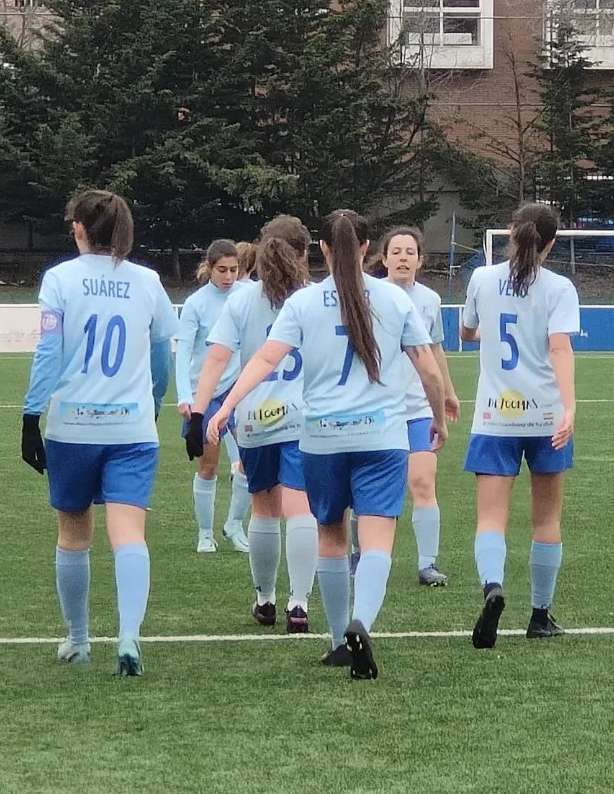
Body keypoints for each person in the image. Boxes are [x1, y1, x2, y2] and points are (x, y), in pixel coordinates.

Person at [208, 210, 447, 680]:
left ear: (322, 249)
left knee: (331, 537)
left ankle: (339, 640)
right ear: (367, 249)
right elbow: (429, 369)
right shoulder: (394, 300)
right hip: (381, 436)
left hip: (321, 438)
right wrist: (438, 418)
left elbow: (263, 360)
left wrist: (225, 406)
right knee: (376, 540)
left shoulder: (303, 303)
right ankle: (364, 622)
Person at [21, 189, 178, 678]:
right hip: (132, 426)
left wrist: (31, 416)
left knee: (73, 532)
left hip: (73, 425)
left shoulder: (60, 279)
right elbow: (160, 358)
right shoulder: (148, 281)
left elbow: (49, 352)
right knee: (129, 533)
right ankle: (129, 636)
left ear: (80, 229)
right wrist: (150, 406)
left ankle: (79, 638)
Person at [191, 217, 319, 637]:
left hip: (253, 418)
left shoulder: (242, 301)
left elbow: (215, 359)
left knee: (264, 510)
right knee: (301, 509)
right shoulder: (315, 298)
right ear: (303, 253)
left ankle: (265, 598)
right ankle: (298, 603)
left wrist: (199, 411)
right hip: (306, 417)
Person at [460, 202, 579, 650]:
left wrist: (482, 329)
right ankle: (540, 615)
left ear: (511, 234)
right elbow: (560, 348)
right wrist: (569, 408)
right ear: (550, 243)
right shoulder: (559, 287)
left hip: (495, 415)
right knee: (546, 519)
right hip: (545, 415)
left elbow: (467, 333)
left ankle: (492, 586)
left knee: (491, 518)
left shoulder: (482, 279)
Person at [379, 227, 460, 586]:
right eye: (395, 251)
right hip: (377, 407)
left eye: (409, 252)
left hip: (418, 408)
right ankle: (357, 554)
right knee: (369, 485)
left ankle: (428, 563)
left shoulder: (429, 300)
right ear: (383, 258)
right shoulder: (368, 296)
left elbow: (435, 349)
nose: (402, 257)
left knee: (423, 481)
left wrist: (447, 392)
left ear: (420, 260)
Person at [177, 239, 250, 553]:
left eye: (234, 270)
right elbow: (182, 353)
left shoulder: (248, 295)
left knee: (249, 461)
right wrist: (185, 396)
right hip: (205, 394)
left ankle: (234, 524)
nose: (229, 276)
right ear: (209, 268)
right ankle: (205, 533)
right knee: (209, 464)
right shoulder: (196, 303)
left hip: (241, 390)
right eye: (222, 270)